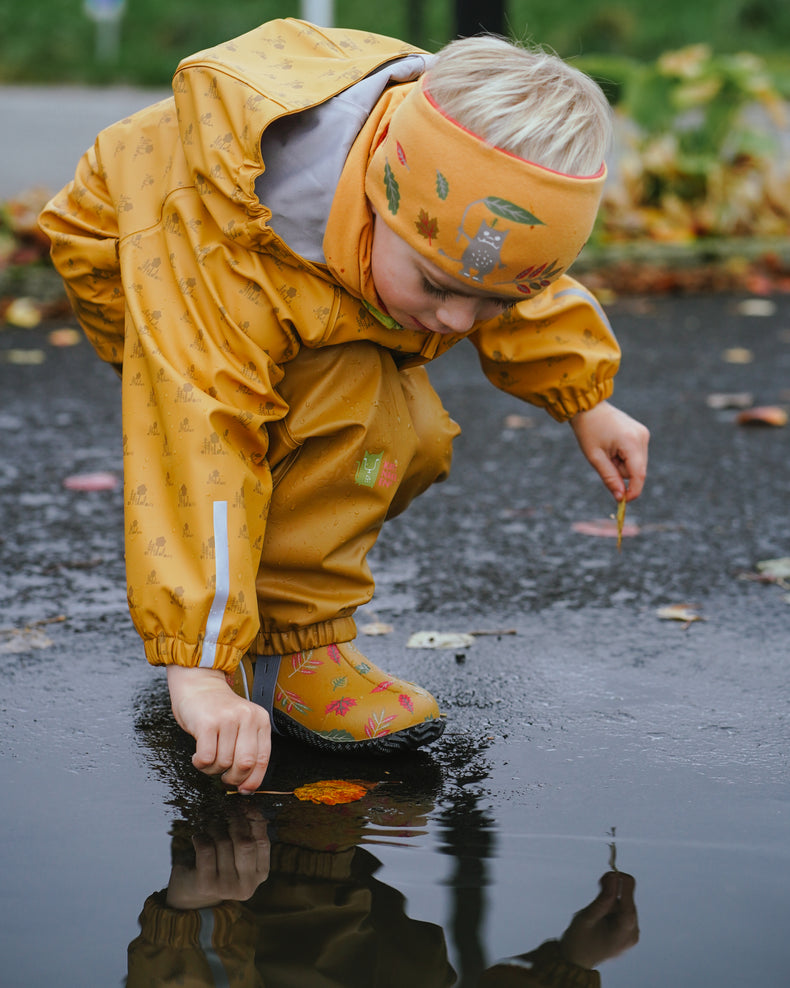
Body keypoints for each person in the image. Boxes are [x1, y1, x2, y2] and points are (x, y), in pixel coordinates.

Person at [39, 18, 649, 795]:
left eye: (484, 303)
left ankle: (265, 611)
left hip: (310, 286)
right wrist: (196, 670)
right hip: (155, 268)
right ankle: (288, 653)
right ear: (377, 196)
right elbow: (197, 439)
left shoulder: (436, 196)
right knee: (345, 418)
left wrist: (587, 400)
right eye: (436, 287)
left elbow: (500, 267)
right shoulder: (224, 240)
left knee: (409, 437)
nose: (458, 322)